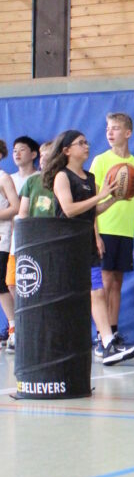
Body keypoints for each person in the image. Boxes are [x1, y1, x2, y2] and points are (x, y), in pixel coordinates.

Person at [42, 130, 134, 366]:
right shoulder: (62, 177)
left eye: (86, 142)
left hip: (86, 244)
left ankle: (107, 344)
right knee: (68, 297)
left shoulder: (89, 177)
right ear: (67, 150)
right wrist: (100, 196)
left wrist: (114, 199)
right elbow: (69, 210)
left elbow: (92, 210)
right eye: (80, 143)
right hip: (66, 246)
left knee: (97, 293)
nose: (86, 146)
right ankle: (55, 344)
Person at [90, 112, 134, 343]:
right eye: (107, 129)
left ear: (128, 133)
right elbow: (93, 201)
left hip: (125, 232)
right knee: (104, 282)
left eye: (114, 128)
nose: (109, 132)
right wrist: (95, 235)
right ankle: (101, 335)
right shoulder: (100, 161)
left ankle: (113, 330)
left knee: (117, 283)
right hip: (104, 229)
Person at [4, 135, 40, 348]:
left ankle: (31, 325)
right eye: (14, 150)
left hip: (35, 239)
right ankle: (18, 325)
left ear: (34, 154)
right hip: (13, 240)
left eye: (22, 149)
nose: (17, 153)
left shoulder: (40, 178)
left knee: (33, 284)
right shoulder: (9, 179)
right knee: (11, 283)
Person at [0, 139, 20, 349]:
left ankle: (15, 328)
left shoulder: (3, 178)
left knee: (1, 284)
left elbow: (15, 207)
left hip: (2, 238)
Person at [17, 141, 56, 218]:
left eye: (48, 155)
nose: (43, 159)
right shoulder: (31, 181)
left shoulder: (64, 179)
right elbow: (23, 213)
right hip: (33, 224)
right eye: (41, 155)